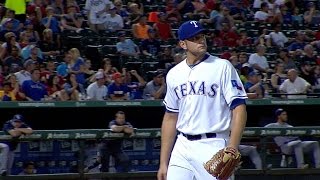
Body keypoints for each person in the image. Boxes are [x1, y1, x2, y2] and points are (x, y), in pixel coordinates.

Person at [157, 20, 247, 180]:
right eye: (195, 38)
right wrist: (163, 162)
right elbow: (170, 117)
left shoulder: (222, 66)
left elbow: (239, 108)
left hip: (214, 144)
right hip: (182, 145)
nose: (201, 40)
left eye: (202, 36)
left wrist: (232, 147)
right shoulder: (174, 74)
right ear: (183, 44)